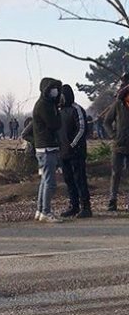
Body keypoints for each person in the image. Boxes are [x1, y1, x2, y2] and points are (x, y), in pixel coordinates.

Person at [31, 78, 64, 223]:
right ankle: (46, 211)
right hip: (46, 148)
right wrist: (58, 113)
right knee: (50, 182)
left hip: (44, 147)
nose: (55, 92)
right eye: (52, 89)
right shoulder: (44, 106)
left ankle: (40, 210)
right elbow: (54, 124)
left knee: (45, 181)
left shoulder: (46, 105)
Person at [57, 84, 92, 218]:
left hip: (76, 151)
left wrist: (73, 144)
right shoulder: (59, 111)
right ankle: (74, 205)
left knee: (80, 179)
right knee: (68, 179)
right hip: (63, 152)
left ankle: (86, 207)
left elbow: (82, 129)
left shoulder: (77, 109)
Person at [103, 83, 129, 212]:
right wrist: (114, 135)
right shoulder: (118, 105)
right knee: (115, 173)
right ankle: (112, 201)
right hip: (118, 145)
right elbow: (106, 122)